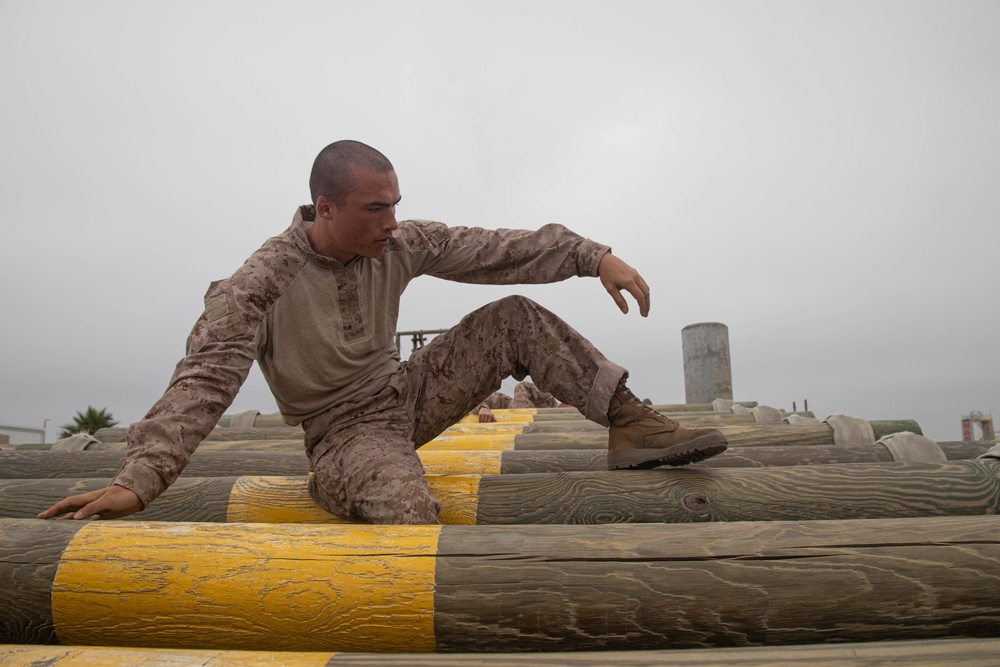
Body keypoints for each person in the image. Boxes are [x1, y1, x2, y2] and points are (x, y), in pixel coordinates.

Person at [39, 140, 728, 525]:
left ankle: (630, 422)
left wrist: (590, 256)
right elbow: (204, 378)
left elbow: (492, 248)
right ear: (326, 208)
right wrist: (140, 479)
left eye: (397, 203)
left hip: (403, 391)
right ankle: (344, 484)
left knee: (512, 315)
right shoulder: (259, 280)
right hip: (341, 430)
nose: (394, 220)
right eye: (377, 207)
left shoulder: (398, 242)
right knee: (407, 514)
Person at [471, 381, 570, 422]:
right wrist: (519, 416)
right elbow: (523, 386)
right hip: (507, 411)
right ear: (563, 403)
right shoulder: (549, 400)